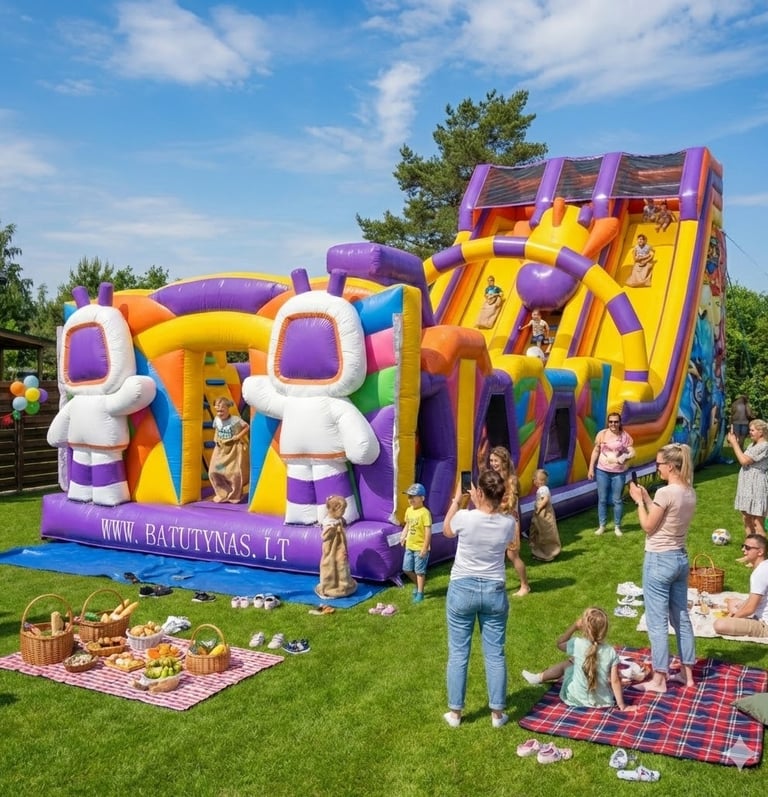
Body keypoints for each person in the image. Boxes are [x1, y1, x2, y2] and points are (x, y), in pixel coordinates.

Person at [442, 469, 516, 728]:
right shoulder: (509, 523)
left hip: (462, 588)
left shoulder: (465, 517)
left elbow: (447, 530)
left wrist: (457, 500)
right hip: (494, 590)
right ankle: (497, 715)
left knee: (458, 653)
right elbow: (505, 536)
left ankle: (455, 714)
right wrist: (480, 502)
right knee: (495, 654)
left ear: (480, 492)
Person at [628, 443, 697, 693]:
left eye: (659, 464)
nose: (657, 468)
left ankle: (659, 679)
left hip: (659, 559)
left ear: (670, 466)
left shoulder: (666, 493)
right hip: (679, 558)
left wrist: (639, 502)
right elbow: (665, 519)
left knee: (657, 621)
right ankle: (687, 674)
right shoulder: (689, 491)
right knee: (681, 618)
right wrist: (648, 498)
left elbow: (649, 526)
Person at [521, 607, 637, 711]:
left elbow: (559, 643)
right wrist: (622, 705)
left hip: (576, 698)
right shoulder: (611, 651)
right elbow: (615, 681)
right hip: (603, 702)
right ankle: (542, 678)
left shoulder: (577, 643)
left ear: (584, 627)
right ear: (605, 629)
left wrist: (574, 627)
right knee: (582, 666)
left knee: (567, 664)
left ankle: (538, 678)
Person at [479, 443, 531, 596]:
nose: (493, 464)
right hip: (495, 520)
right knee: (493, 555)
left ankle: (525, 585)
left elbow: (511, 504)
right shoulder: (493, 477)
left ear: (504, 461)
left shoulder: (511, 480)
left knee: (512, 555)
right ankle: (495, 584)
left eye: (496, 460)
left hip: (509, 522)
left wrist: (496, 508)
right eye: (491, 461)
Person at [588, 412, 635, 536]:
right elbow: (596, 451)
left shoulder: (625, 436)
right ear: (608, 422)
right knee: (602, 500)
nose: (613, 424)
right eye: (611, 422)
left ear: (620, 423)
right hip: (602, 471)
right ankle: (602, 526)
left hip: (618, 473)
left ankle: (617, 527)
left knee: (617, 500)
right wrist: (591, 468)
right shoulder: (602, 434)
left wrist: (626, 456)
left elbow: (632, 451)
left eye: (616, 421)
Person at [713, 534, 768, 638]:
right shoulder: (765, 566)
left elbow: (750, 608)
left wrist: (733, 619)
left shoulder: (760, 573)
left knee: (719, 624)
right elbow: (752, 600)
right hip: (761, 612)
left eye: (748, 548)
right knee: (733, 602)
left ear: (760, 552)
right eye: (743, 546)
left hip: (765, 625)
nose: (743, 550)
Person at [726, 419, 768, 552]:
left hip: (756, 485)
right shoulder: (752, 445)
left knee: (757, 521)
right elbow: (743, 457)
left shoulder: (764, 446)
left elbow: (744, 460)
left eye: (752, 430)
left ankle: (761, 554)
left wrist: (734, 443)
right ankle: (750, 550)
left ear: (761, 432)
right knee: (746, 518)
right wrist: (736, 443)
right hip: (746, 484)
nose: (750, 433)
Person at [208, 397, 249, 503]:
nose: (219, 413)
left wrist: (238, 436)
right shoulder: (217, 419)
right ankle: (223, 493)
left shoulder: (235, 420)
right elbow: (217, 430)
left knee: (234, 473)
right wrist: (216, 439)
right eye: (217, 411)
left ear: (227, 408)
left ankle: (234, 495)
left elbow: (246, 427)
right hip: (221, 449)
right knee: (214, 471)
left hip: (233, 450)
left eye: (222, 410)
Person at [315, 495, 357, 599]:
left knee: (341, 565)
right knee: (330, 567)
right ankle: (329, 587)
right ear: (335, 509)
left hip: (340, 548)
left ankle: (343, 585)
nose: (344, 512)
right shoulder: (329, 522)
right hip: (331, 549)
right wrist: (333, 528)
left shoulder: (338, 519)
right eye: (343, 510)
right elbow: (325, 536)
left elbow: (343, 524)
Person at [400, 483, 432, 603]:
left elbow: (428, 532)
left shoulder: (425, 513)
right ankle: (419, 585)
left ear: (422, 498)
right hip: (409, 546)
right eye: (409, 496)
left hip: (420, 547)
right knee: (406, 569)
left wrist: (425, 547)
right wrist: (403, 536)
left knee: (419, 571)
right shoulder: (409, 510)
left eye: (413, 496)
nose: (410, 499)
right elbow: (407, 525)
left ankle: (420, 593)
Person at [529, 469, 561, 562]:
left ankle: (548, 554)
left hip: (544, 513)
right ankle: (540, 552)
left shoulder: (543, 489)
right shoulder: (542, 489)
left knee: (545, 532)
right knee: (539, 531)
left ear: (540, 480)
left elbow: (545, 499)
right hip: (542, 513)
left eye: (535, 479)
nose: (534, 481)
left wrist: (539, 508)